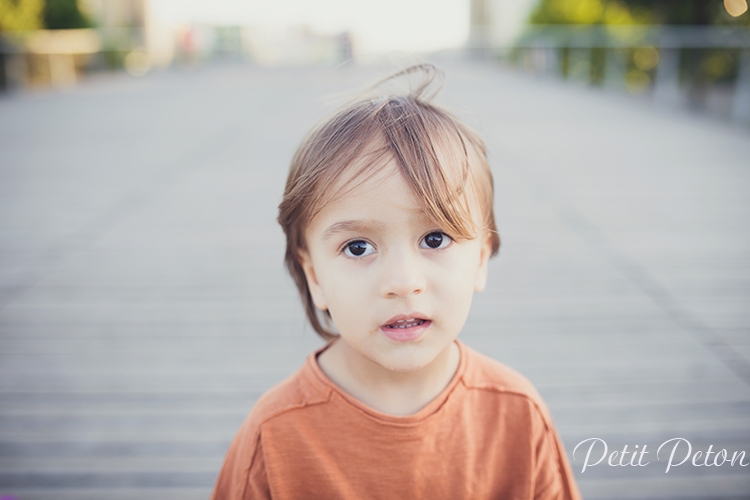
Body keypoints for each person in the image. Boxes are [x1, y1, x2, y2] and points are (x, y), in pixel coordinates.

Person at [211, 64, 581, 500]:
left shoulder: (518, 414)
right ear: (315, 276)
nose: (403, 283)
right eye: (358, 248)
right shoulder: (273, 434)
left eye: (435, 238)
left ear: (480, 259)